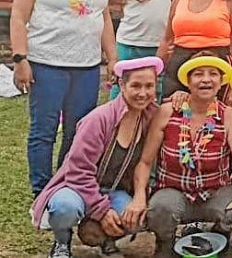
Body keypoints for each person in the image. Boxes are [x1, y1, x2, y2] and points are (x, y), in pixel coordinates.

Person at [11, 0, 117, 196]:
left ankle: (66, 184)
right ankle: (41, 190)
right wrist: (20, 59)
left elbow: (104, 15)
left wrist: (112, 58)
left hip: (86, 66)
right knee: (44, 131)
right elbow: (19, 16)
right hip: (46, 63)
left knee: (79, 130)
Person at [125, 55, 232, 258]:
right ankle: (165, 245)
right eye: (198, 74)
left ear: (221, 81)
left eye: (213, 74)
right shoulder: (169, 111)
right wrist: (139, 196)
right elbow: (145, 162)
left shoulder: (229, 115)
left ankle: (216, 239)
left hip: (215, 192)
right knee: (159, 209)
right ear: (187, 81)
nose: (206, 80)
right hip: (174, 191)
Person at [31, 57, 163, 258]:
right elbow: (78, 171)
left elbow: (180, 110)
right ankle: (61, 242)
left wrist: (181, 95)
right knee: (64, 208)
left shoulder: (151, 116)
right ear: (122, 84)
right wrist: (102, 210)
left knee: (137, 218)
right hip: (76, 187)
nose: (143, 93)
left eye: (149, 86)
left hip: (114, 190)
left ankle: (105, 239)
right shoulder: (99, 119)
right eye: (136, 85)